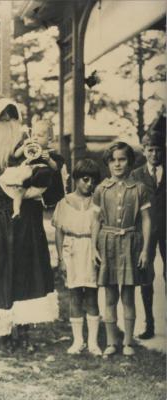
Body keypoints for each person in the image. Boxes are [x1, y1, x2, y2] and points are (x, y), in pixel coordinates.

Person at [0, 90, 64, 351]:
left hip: (28, 222)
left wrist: (50, 168)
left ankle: (24, 332)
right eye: (2, 116)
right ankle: (2, 331)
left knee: (26, 275)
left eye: (13, 115)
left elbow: (53, 192)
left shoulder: (29, 147)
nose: (9, 121)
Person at [91, 142, 151, 357]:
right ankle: (111, 341)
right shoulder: (101, 189)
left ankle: (128, 342)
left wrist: (144, 249)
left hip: (130, 244)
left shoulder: (139, 188)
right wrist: (93, 247)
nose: (117, 164)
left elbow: (146, 220)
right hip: (107, 244)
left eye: (122, 159)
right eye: (113, 160)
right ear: (108, 163)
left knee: (127, 296)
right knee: (109, 296)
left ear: (130, 162)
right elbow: (96, 221)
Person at [53, 159, 102, 356]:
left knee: (91, 295)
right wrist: (60, 258)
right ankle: (77, 341)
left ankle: (93, 342)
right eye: (85, 179)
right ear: (76, 179)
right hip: (71, 248)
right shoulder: (64, 203)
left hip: (90, 248)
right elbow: (58, 232)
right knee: (75, 295)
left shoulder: (97, 202)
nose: (89, 184)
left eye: (93, 181)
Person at [130, 127, 166, 340]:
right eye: (151, 150)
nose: (155, 154)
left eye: (159, 150)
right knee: (146, 276)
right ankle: (149, 324)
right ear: (143, 151)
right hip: (147, 231)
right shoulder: (136, 175)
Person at [0, 120, 62, 218]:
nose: (35, 138)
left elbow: (56, 168)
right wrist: (24, 145)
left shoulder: (50, 154)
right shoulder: (30, 149)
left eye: (40, 136)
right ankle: (16, 210)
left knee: (43, 174)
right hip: (27, 175)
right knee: (19, 191)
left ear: (49, 139)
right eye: (33, 135)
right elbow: (15, 155)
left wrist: (49, 160)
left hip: (38, 181)